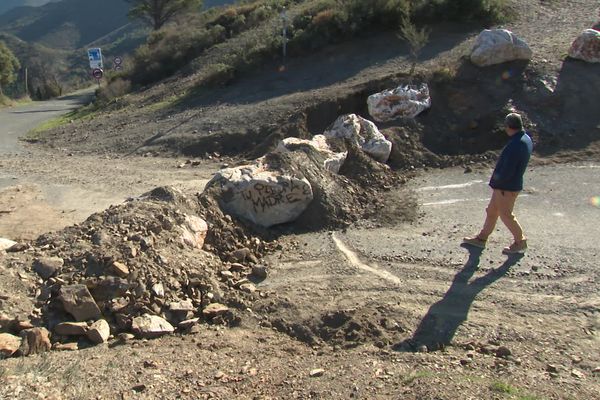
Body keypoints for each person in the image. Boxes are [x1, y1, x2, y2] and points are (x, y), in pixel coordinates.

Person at [463, 113, 533, 254]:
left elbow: (508, 168)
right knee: (492, 211)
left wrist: (498, 184)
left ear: (508, 126)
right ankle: (481, 239)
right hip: (506, 186)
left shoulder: (516, 144)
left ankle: (520, 241)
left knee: (506, 215)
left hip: (506, 187)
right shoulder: (524, 139)